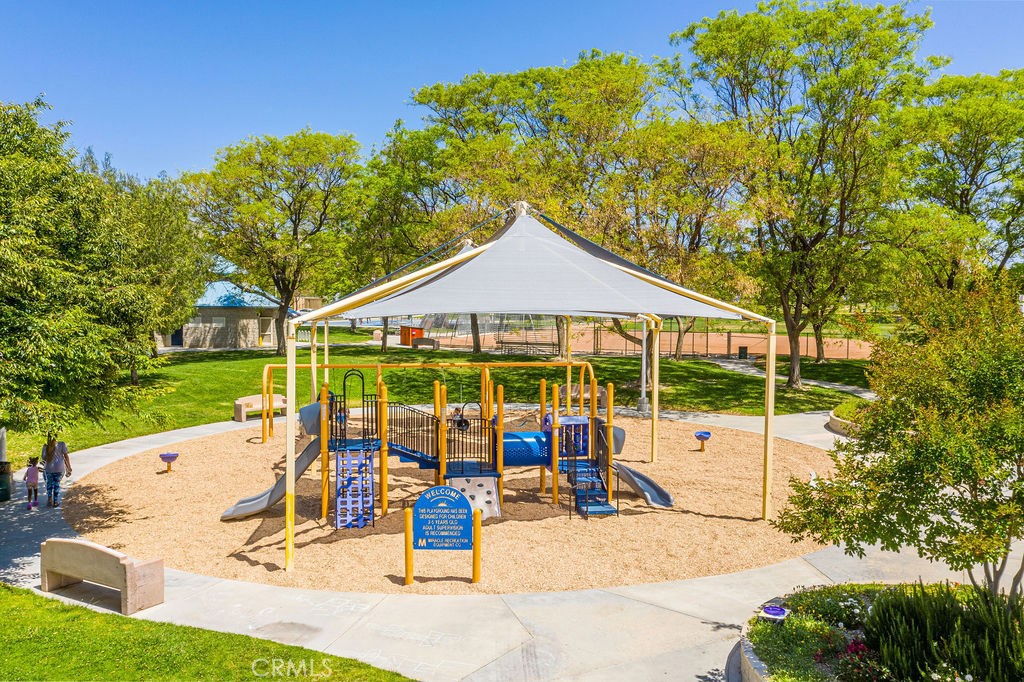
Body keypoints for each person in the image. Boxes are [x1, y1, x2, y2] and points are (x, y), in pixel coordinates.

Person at [42, 438, 72, 508]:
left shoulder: (45, 446)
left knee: (49, 484)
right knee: (56, 484)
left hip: (49, 468)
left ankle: (49, 499)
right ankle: (55, 501)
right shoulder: (61, 444)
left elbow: (43, 458)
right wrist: (69, 467)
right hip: (59, 468)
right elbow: (66, 456)